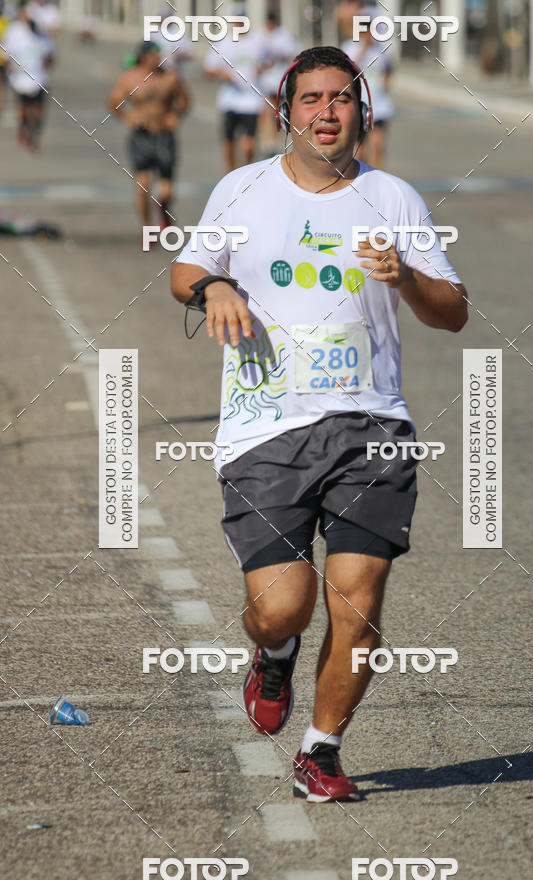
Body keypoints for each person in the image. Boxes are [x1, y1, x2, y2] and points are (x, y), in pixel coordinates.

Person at [171, 46, 467, 802]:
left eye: (341, 99)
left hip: (373, 427)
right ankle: (275, 655)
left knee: (359, 604)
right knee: (281, 608)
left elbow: (453, 312)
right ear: (286, 113)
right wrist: (214, 289)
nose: (327, 112)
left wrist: (409, 278)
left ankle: (321, 750)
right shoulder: (242, 189)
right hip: (265, 429)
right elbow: (185, 269)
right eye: (311, 99)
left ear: (361, 113)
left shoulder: (393, 198)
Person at [107, 41, 190, 240]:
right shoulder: (130, 78)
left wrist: (175, 116)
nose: (158, 58)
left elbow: (185, 101)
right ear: (144, 57)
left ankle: (163, 208)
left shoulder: (170, 77)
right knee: (142, 184)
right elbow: (113, 102)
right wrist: (128, 117)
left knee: (166, 192)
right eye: (154, 54)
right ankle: (147, 229)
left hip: (164, 135)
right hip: (141, 136)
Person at [204, 4, 268, 172]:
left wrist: (262, 69)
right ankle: (230, 174)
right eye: (237, 20)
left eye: (242, 20)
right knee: (228, 142)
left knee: (249, 144)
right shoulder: (223, 43)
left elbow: (270, 59)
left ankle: (245, 172)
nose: (239, 24)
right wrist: (222, 74)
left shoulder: (257, 41)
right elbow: (208, 70)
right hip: (230, 100)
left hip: (251, 100)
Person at [342, 6, 394, 169]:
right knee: (360, 150)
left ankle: (378, 175)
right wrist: (363, 48)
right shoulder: (350, 47)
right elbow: (349, 69)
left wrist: (386, 81)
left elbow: (388, 68)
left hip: (379, 104)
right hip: (359, 103)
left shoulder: (380, 49)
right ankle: (363, 177)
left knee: (378, 145)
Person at [3, 0, 54, 151]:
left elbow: (51, 55)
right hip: (20, 79)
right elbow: (6, 53)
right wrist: (10, 66)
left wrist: (47, 63)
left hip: (40, 78)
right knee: (23, 109)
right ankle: (23, 128)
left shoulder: (43, 33)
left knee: (39, 111)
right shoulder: (14, 31)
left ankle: (34, 136)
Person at [257, 10, 298, 156]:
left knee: (284, 113)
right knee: (268, 112)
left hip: (282, 81)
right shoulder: (260, 35)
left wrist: (276, 56)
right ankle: (269, 143)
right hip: (267, 82)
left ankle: (282, 140)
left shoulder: (284, 35)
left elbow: (292, 53)